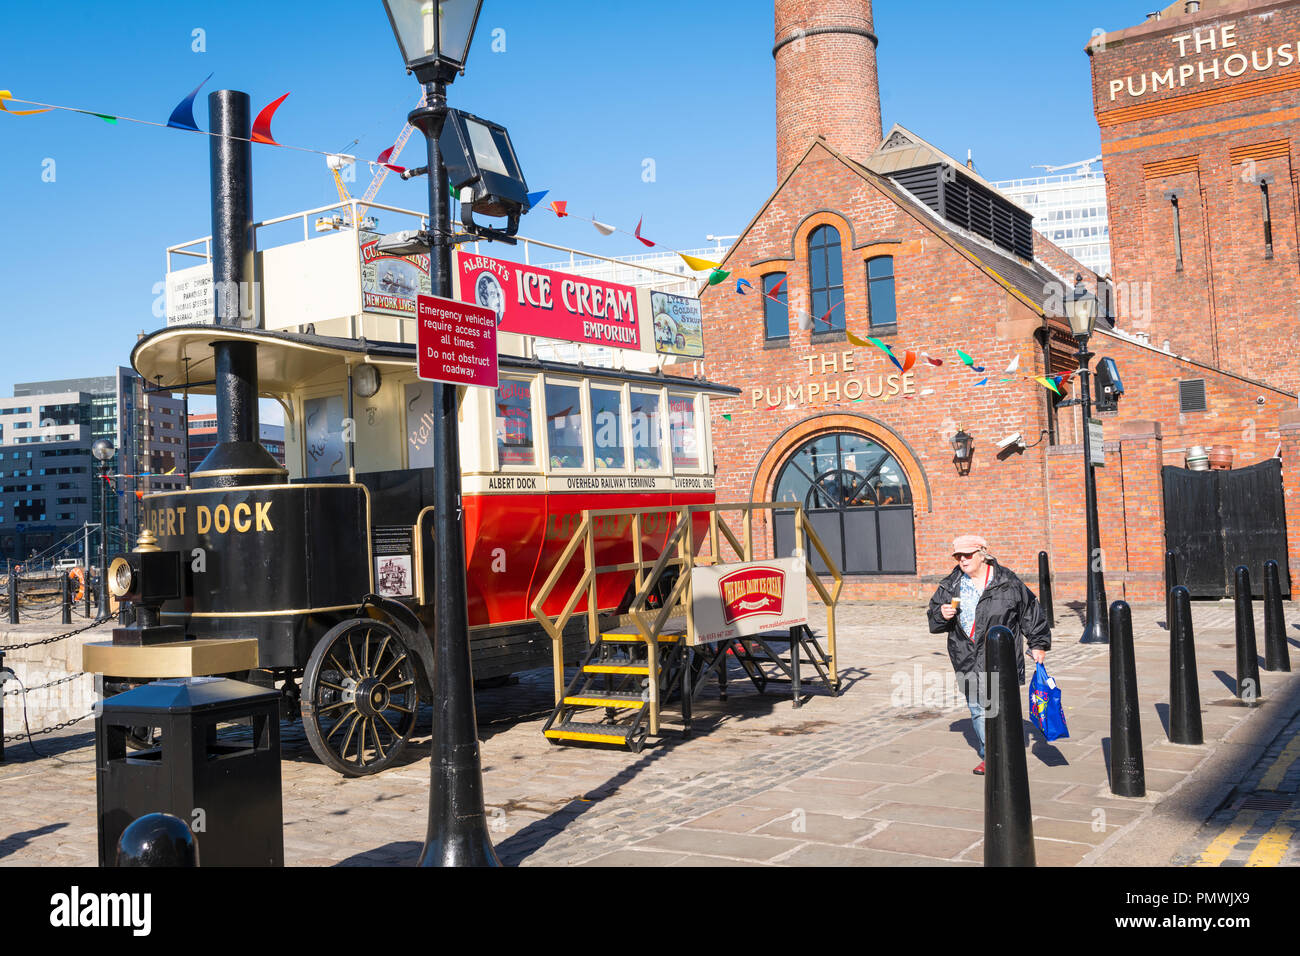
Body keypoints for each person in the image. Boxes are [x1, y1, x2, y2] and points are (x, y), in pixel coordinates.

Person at [927, 534, 1051, 776]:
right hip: (966, 656)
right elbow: (934, 619)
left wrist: (1038, 644)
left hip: (999, 657)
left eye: (967, 555)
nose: (962, 560)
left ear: (982, 554)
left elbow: (1030, 611)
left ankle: (1007, 753)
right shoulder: (951, 583)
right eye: (958, 556)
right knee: (978, 709)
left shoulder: (1007, 582)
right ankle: (991, 756)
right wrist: (941, 614)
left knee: (1000, 708)